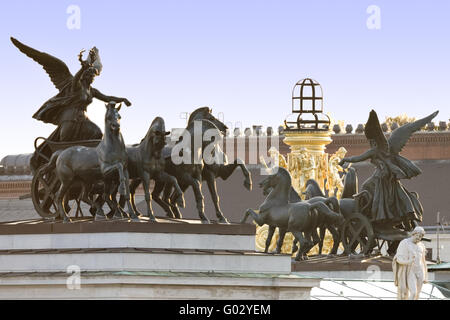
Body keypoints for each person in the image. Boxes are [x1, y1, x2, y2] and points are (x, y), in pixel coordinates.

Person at [392, 227, 428, 300]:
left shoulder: (421, 245)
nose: (419, 238)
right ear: (413, 234)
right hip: (410, 270)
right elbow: (398, 259)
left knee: (417, 294)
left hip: (420, 270)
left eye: (421, 237)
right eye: (417, 235)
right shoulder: (405, 243)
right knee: (413, 292)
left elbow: (423, 261)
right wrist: (408, 261)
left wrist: (425, 275)